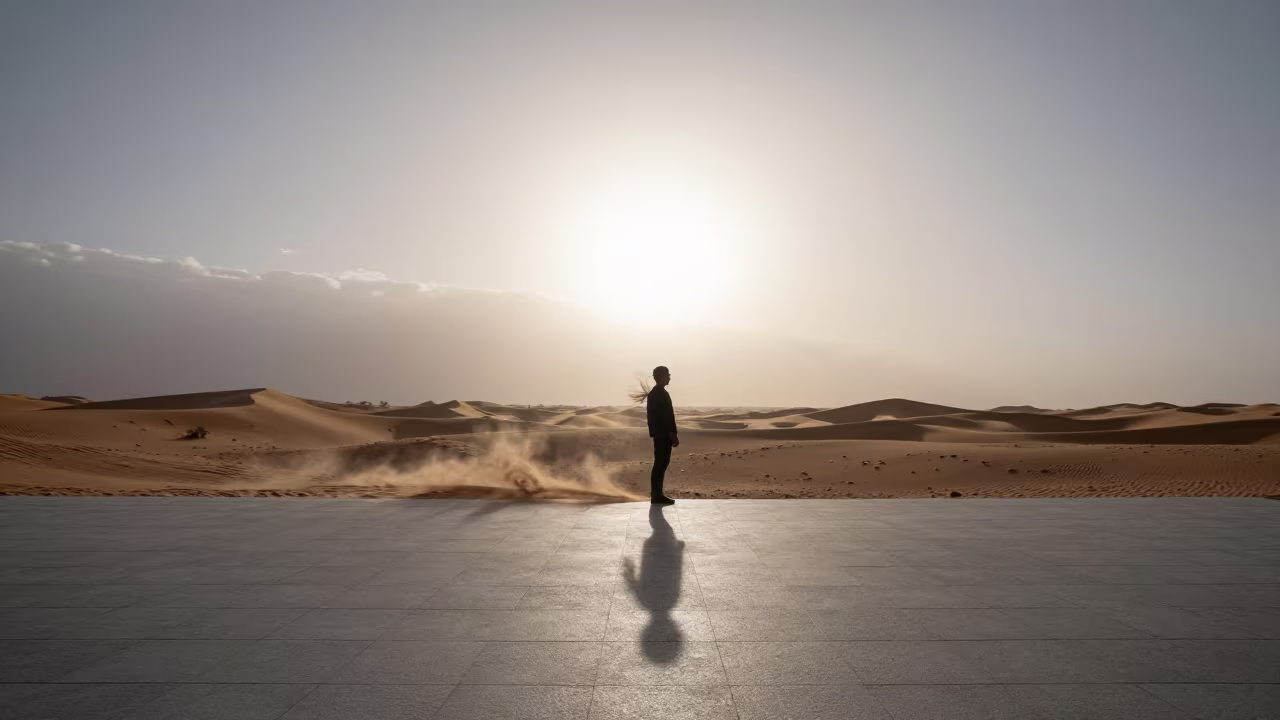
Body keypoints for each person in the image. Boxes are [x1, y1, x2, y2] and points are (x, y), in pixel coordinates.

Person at [641, 365, 678, 504]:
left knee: (661, 463)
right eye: (667, 374)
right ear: (661, 376)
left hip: (661, 434)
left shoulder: (658, 392)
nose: (669, 377)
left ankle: (657, 494)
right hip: (662, 435)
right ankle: (656, 495)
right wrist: (672, 434)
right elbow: (665, 417)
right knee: (660, 464)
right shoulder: (658, 393)